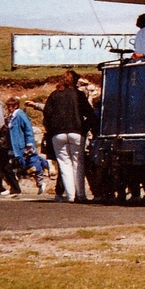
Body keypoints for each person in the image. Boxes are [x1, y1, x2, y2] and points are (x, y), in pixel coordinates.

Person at [43, 69, 97, 203]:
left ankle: (70, 195)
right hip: (76, 131)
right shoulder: (78, 95)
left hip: (58, 134)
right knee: (78, 163)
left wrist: (51, 130)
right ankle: (80, 194)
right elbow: (90, 114)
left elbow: (47, 114)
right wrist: (84, 128)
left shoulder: (54, 95)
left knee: (64, 164)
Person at [6, 98, 47, 195]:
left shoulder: (20, 115)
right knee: (16, 166)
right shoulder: (11, 117)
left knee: (31, 165)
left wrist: (29, 143)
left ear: (15, 106)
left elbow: (28, 129)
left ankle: (41, 183)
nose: (8, 108)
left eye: (10, 106)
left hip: (22, 145)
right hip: (14, 146)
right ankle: (14, 187)